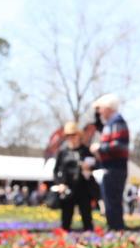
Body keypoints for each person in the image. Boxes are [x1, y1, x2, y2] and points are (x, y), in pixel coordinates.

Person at [91, 93, 129, 231]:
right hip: (110, 167)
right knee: (109, 202)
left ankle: (116, 230)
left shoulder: (117, 122)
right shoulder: (109, 123)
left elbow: (120, 145)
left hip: (115, 168)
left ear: (108, 108)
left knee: (113, 202)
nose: (99, 112)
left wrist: (100, 148)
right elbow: (97, 124)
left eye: (100, 108)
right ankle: (113, 228)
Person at [53, 121, 95, 232]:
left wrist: (88, 168)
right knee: (66, 217)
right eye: (68, 135)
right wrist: (59, 184)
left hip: (83, 187)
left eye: (73, 135)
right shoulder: (63, 152)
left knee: (86, 216)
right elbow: (56, 171)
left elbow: (95, 165)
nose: (71, 138)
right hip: (67, 188)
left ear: (78, 135)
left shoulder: (85, 150)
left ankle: (89, 237)